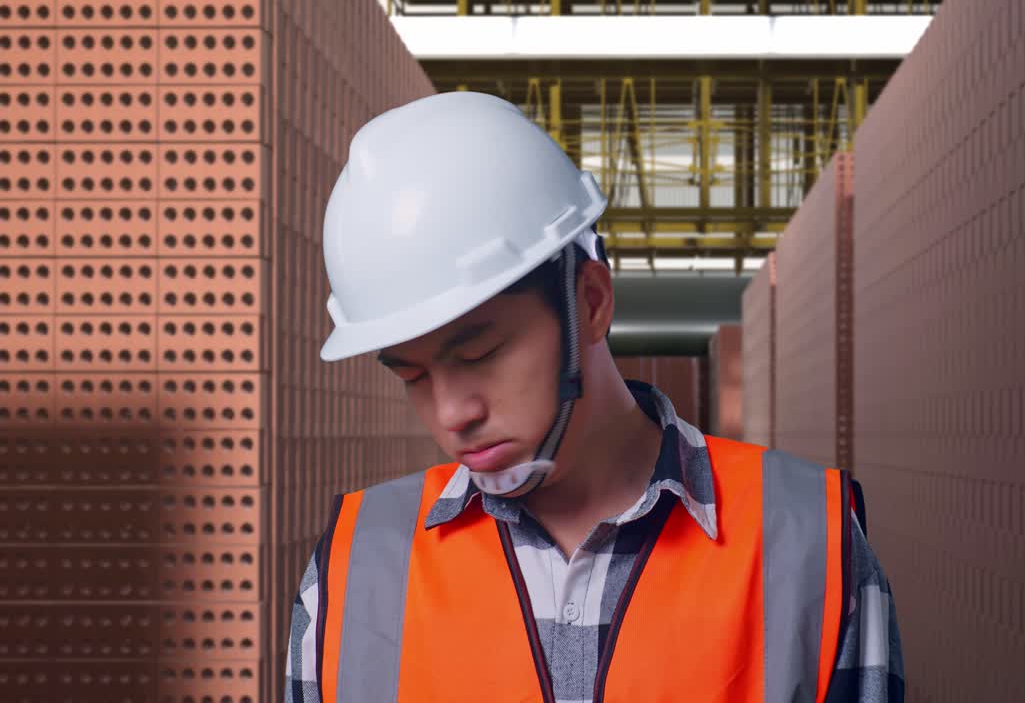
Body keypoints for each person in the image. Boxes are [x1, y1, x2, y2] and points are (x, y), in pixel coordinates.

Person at [284, 90, 904, 702]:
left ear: (590, 302)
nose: (452, 415)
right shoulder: (350, 573)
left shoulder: (810, 546)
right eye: (411, 375)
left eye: (478, 355)